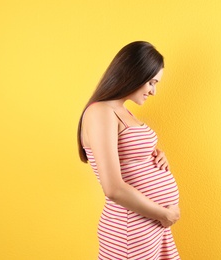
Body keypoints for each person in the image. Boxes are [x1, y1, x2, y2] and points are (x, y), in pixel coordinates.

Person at [77, 41, 181, 260]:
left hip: (147, 227)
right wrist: (164, 214)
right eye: (151, 82)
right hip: (130, 232)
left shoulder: (122, 111)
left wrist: (155, 155)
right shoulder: (101, 112)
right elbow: (113, 188)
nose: (154, 91)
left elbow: (128, 153)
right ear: (134, 73)